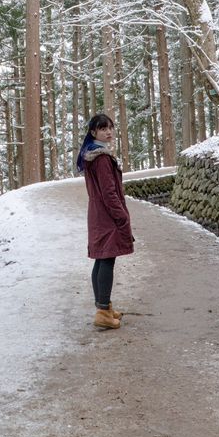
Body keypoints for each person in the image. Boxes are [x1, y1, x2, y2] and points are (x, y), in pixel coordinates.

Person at [77, 113, 134, 330]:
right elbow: (109, 193)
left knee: (101, 259)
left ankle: (105, 307)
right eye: (103, 129)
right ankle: (102, 312)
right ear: (94, 132)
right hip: (107, 215)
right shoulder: (100, 158)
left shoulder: (91, 154)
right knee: (106, 259)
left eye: (110, 127)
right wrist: (121, 217)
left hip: (98, 213)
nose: (108, 132)